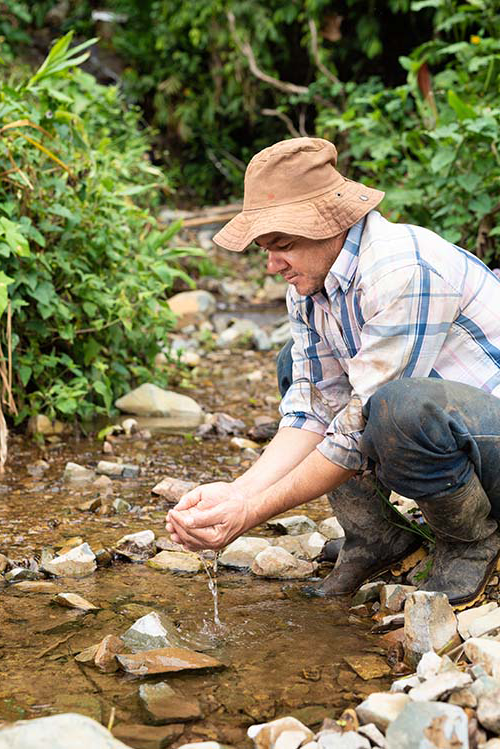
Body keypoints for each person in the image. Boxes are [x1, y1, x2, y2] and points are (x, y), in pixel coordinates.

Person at [166, 136, 500, 608]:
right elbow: (313, 410)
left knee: (397, 408)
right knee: (292, 363)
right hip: (460, 443)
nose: (271, 265)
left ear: (332, 224)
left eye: (282, 245)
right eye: (265, 248)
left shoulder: (400, 269)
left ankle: (472, 543)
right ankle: (376, 538)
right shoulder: (307, 286)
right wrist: (237, 493)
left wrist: (252, 513)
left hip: (492, 445)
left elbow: (357, 426)